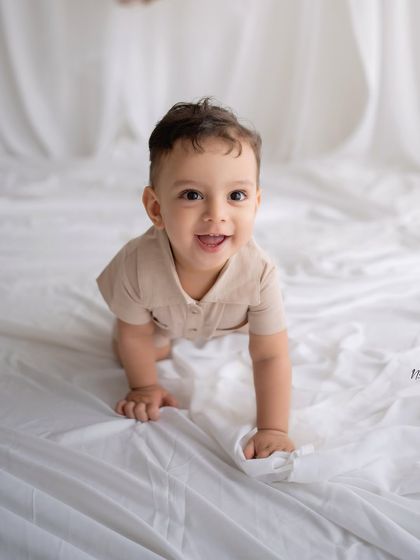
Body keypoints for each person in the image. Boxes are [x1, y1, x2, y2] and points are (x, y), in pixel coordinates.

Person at [96, 97, 295, 458]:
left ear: (256, 204)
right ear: (156, 208)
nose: (216, 214)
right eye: (192, 195)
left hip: (230, 319)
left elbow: (270, 356)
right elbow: (134, 333)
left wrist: (273, 428)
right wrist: (144, 387)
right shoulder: (136, 266)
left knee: (264, 334)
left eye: (237, 195)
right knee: (129, 348)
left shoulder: (259, 274)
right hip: (162, 316)